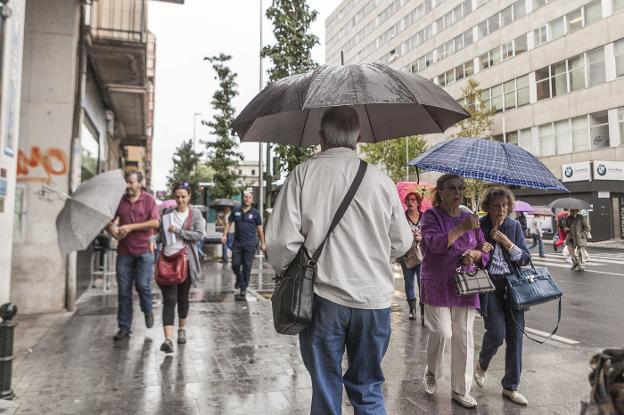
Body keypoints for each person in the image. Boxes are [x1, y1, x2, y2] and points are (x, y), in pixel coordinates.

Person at [266, 106, 412, 415]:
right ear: (358, 137)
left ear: (320, 137)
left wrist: (287, 269)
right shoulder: (380, 180)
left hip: (322, 299)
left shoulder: (302, 174)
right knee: (369, 387)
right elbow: (402, 242)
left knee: (325, 388)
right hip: (373, 301)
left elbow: (280, 242)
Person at [420, 173, 490, 409]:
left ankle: (461, 389)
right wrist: (461, 228)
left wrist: (477, 254)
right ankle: (432, 369)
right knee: (442, 332)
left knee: (463, 337)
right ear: (440, 191)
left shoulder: (470, 216)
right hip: (437, 283)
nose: (457, 192)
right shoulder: (431, 216)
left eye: (461, 188)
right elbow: (434, 245)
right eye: (451, 188)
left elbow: (483, 247)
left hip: (467, 283)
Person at [475, 187, 531, 406]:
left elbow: (525, 259)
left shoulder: (514, 226)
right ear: (487, 206)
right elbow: (470, 259)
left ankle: (510, 386)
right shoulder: (479, 226)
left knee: (515, 338)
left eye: (505, 205)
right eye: (496, 205)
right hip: (490, 286)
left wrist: (508, 243)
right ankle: (482, 363)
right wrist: (480, 249)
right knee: (497, 333)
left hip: (513, 286)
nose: (501, 209)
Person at [106, 171, 160, 341]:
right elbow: (108, 220)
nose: (128, 186)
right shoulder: (119, 201)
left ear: (140, 183)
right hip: (124, 253)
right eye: (126, 183)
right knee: (123, 291)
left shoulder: (149, 200)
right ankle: (124, 327)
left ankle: (147, 310)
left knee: (143, 286)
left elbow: (155, 223)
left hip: (145, 251)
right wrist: (113, 230)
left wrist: (130, 227)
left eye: (131, 182)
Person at [155, 181, 205, 353]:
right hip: (168, 261)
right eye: (177, 197)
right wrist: (152, 242)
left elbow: (200, 235)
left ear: (189, 196)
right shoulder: (167, 213)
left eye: (184, 197)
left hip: (186, 263)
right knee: (169, 300)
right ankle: (168, 340)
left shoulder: (195, 214)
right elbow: (161, 236)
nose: (180, 200)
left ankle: (181, 329)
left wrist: (178, 231)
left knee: (183, 298)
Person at [222, 193, 267, 297]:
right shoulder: (236, 210)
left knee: (247, 266)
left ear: (252, 200)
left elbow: (260, 229)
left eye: (250, 197)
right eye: (246, 197)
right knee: (235, 264)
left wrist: (263, 242)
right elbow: (229, 223)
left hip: (250, 244)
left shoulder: (255, 213)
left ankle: (244, 287)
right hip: (237, 243)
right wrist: (224, 235)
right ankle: (239, 277)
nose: (247, 199)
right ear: (243, 198)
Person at [400, 191, 423, 321]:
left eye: (413, 200)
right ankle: (412, 310)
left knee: (422, 283)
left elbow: (430, 233)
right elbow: (397, 234)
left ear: (418, 202)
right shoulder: (402, 218)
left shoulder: (425, 217)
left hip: (422, 255)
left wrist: (422, 236)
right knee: (409, 283)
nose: (410, 202)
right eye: (408, 200)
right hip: (407, 256)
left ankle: (424, 310)